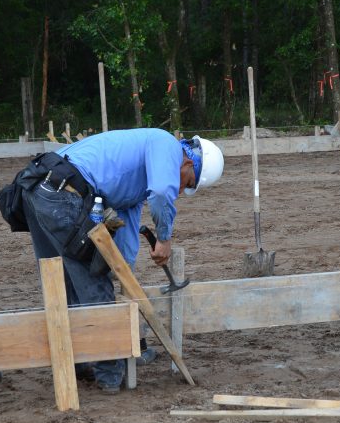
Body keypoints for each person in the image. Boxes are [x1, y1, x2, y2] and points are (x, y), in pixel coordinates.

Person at [21, 128, 224, 393]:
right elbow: (162, 192)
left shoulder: (135, 182)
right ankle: (109, 375)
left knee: (62, 279)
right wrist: (164, 238)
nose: (180, 190)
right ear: (188, 162)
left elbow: (127, 235)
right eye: (187, 182)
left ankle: (77, 362)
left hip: (39, 188)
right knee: (94, 281)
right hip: (60, 191)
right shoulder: (166, 144)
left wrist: (124, 271)